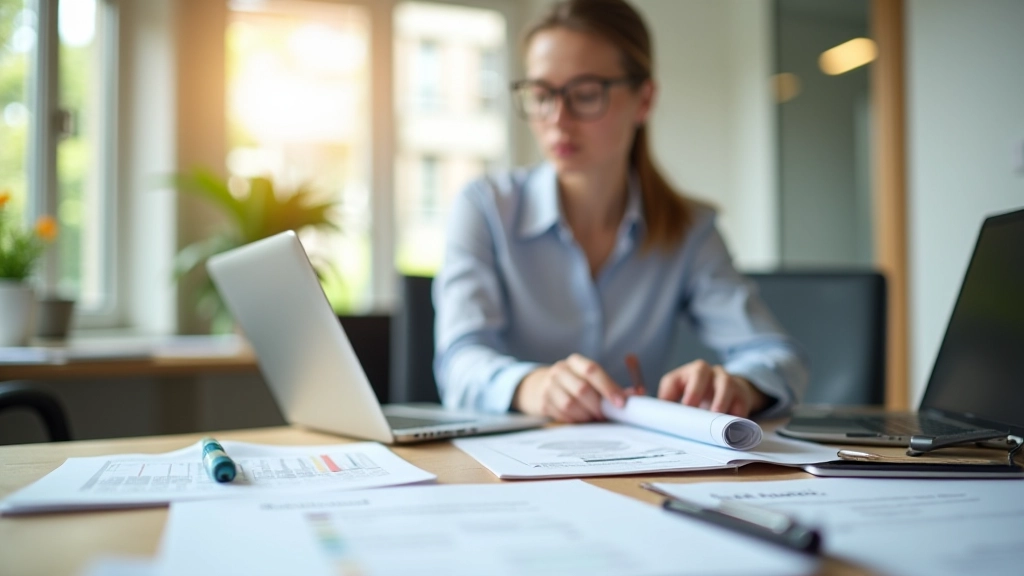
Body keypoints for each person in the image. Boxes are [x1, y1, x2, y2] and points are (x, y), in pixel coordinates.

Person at [433, 0, 807, 423]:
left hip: (637, 473)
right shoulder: (485, 207)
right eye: (541, 95)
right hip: (505, 468)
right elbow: (459, 363)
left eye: (585, 94)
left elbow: (777, 355)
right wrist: (531, 386)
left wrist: (742, 385)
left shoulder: (689, 230)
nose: (557, 118)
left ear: (643, 99)